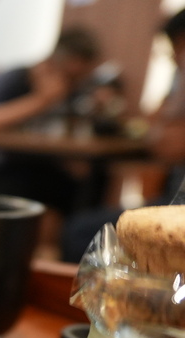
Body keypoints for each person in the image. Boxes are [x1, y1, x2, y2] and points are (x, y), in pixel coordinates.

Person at [62, 9, 185, 262]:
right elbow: (154, 126)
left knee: (79, 232)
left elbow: (168, 146)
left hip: (178, 212)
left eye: (177, 48)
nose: (174, 57)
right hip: (173, 202)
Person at [0, 27, 101, 218]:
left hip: (44, 165)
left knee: (90, 181)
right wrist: (40, 101)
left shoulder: (75, 90)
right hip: (0, 168)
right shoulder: (16, 79)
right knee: (16, 186)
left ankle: (76, 242)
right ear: (52, 63)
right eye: (70, 76)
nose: (73, 82)